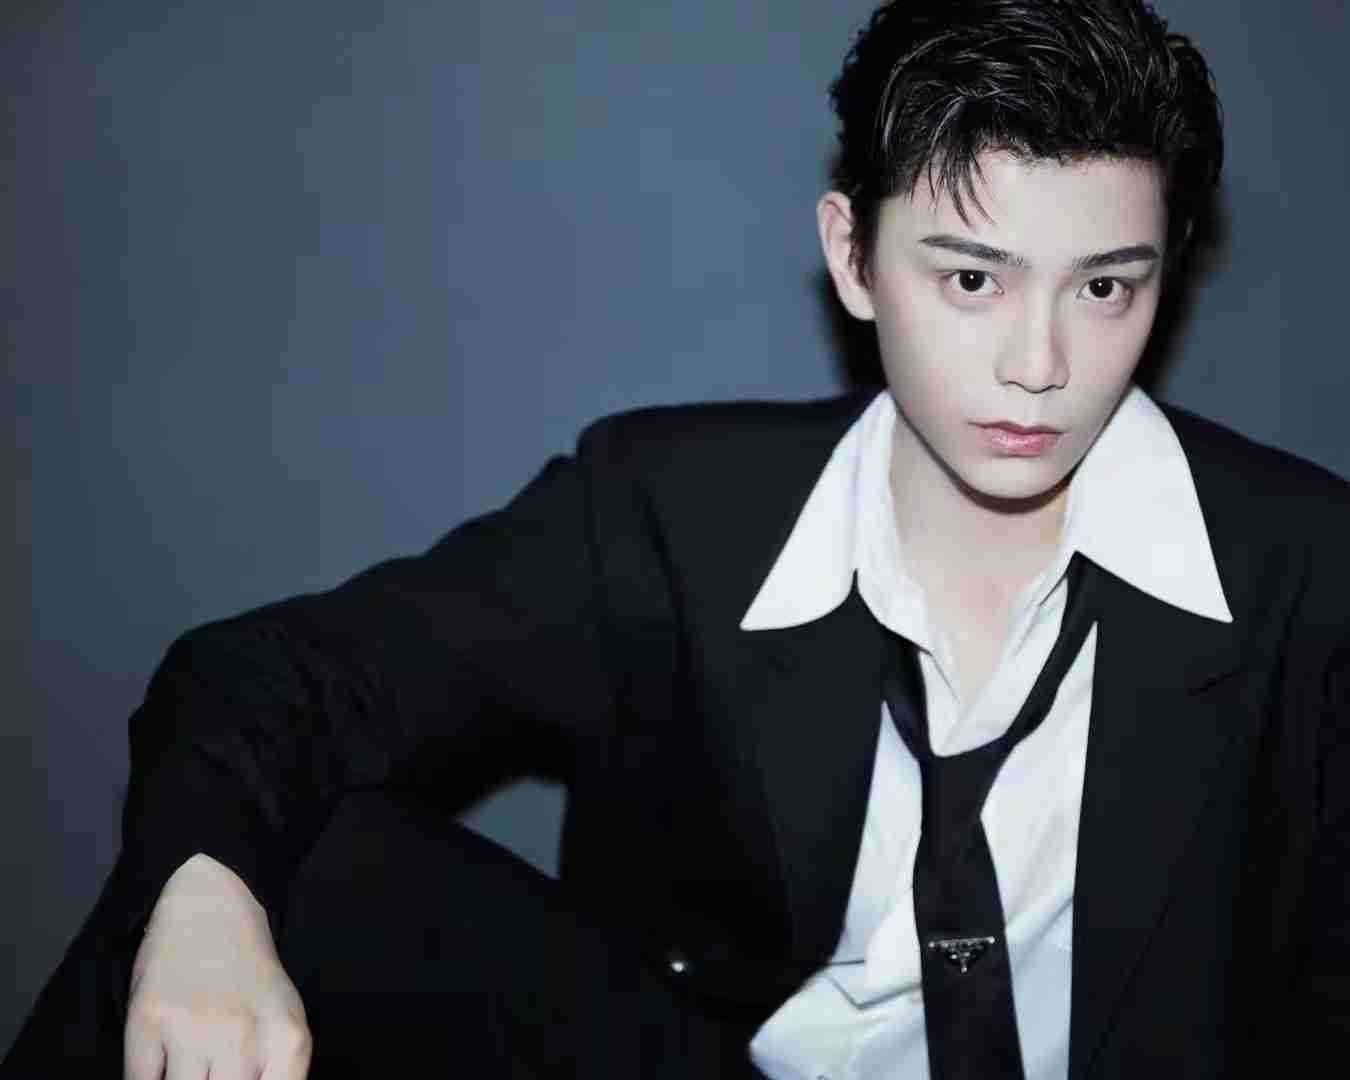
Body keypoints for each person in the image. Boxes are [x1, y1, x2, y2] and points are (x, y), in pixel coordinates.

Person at [6, 0, 1348, 1076]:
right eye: (970, 278)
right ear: (850, 255)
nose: (1039, 364)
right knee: (259, 864)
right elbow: (278, 678)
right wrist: (202, 898)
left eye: (1103, 287)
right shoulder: (671, 507)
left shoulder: (1305, 570)